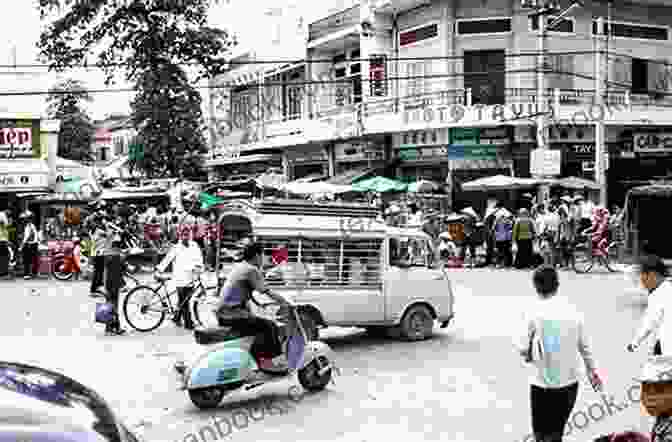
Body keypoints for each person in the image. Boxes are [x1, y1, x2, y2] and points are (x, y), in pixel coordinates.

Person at [518, 266, 602, 442]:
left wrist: (528, 353)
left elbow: (523, 348)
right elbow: (585, 348)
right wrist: (593, 373)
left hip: (542, 385)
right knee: (556, 433)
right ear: (557, 285)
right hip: (569, 384)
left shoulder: (533, 312)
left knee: (540, 434)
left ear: (536, 286)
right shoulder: (573, 312)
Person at [215, 239, 293, 370]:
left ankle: (259, 359)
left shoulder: (241, 266)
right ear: (257, 256)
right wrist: (285, 303)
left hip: (224, 313)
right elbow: (267, 291)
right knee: (270, 326)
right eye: (262, 255)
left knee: (260, 326)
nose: (263, 259)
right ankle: (272, 362)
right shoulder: (251, 270)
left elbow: (247, 291)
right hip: (232, 314)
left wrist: (262, 305)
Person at [157, 224, 203, 329]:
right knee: (184, 301)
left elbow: (199, 258)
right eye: (183, 234)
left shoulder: (194, 245)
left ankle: (177, 317)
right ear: (180, 235)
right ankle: (188, 323)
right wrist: (158, 269)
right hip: (180, 278)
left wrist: (199, 267)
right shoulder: (176, 248)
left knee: (183, 300)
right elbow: (167, 260)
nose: (185, 236)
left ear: (190, 235)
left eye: (187, 234)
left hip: (191, 277)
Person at [627, 255, 671, 356]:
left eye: (643, 278)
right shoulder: (667, 288)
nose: (642, 284)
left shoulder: (658, 296)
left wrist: (635, 342)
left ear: (652, 275)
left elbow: (649, 323)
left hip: (666, 351)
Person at [19, 211, 39, 280]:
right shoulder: (32, 225)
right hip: (34, 244)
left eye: (23, 219)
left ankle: (27, 274)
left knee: (26, 260)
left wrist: (21, 246)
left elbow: (26, 237)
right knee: (34, 259)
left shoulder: (28, 226)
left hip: (29, 244)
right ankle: (34, 273)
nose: (22, 221)